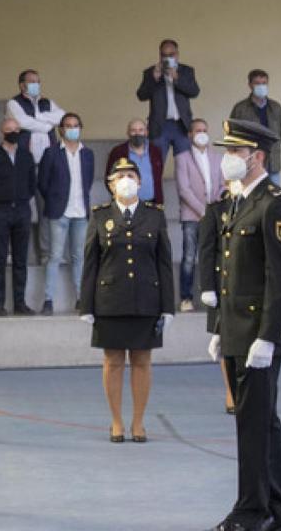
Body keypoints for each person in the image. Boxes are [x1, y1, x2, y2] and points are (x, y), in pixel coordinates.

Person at [207, 119, 281, 531]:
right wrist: (217, 327)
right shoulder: (238, 200)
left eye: (234, 152)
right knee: (261, 423)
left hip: (258, 335)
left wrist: (267, 337)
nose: (227, 159)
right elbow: (227, 271)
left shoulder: (275, 203)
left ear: (256, 156)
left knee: (253, 425)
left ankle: (250, 511)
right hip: (235, 331)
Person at [80, 157, 174, 443]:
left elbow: (164, 263)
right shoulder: (100, 215)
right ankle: (117, 421)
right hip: (110, 298)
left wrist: (168, 306)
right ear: (110, 184)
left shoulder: (154, 215)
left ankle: (138, 422)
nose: (126, 179)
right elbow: (90, 262)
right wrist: (87, 305)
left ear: (140, 181)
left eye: (131, 174)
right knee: (113, 360)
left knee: (143, 360)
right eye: (119, 175)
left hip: (147, 297)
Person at [0, 118, 37, 316]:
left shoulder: (26, 156)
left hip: (22, 211)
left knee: (21, 259)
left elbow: (32, 184)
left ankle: (20, 303)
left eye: (16, 130)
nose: (13, 133)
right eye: (9, 130)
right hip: (0, 212)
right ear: (1, 132)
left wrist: (21, 200)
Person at [37, 113, 94, 315]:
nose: (72, 129)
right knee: (55, 256)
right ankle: (48, 300)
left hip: (81, 212)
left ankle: (81, 298)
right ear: (61, 129)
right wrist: (54, 199)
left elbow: (88, 181)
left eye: (75, 125)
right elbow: (42, 183)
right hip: (59, 212)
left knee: (79, 256)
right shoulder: (51, 153)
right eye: (68, 125)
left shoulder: (88, 154)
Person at [6, 69, 65, 264]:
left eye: (37, 81)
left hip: (47, 165)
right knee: (18, 209)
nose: (35, 85)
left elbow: (62, 117)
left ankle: (47, 254)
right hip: (25, 163)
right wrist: (47, 122)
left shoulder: (47, 102)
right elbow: (22, 122)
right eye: (31, 81)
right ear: (21, 84)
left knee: (47, 211)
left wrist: (39, 121)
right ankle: (13, 254)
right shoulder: (14, 103)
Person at [175, 118, 223, 312]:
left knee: (214, 255)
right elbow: (184, 189)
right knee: (189, 257)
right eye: (197, 130)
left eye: (204, 130)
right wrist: (203, 211)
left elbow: (222, 184)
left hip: (214, 213)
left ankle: (213, 295)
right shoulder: (182, 158)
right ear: (190, 135)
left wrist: (213, 208)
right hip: (192, 216)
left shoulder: (218, 157)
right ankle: (186, 298)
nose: (202, 133)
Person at [200, 187, 238, 414]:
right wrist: (206, 287)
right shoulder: (215, 210)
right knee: (225, 342)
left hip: (247, 283)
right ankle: (231, 390)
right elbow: (205, 250)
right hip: (221, 283)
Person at [135, 38, 200, 161]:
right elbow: (141, 95)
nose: (167, 58)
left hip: (182, 125)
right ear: (160, 56)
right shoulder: (150, 72)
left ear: (177, 54)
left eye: (171, 55)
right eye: (164, 55)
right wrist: (154, 78)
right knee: (156, 164)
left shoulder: (186, 71)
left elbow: (194, 92)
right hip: (159, 125)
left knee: (184, 164)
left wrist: (176, 78)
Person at [229, 69, 281, 186]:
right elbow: (232, 136)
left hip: (272, 163)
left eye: (264, 83)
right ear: (250, 85)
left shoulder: (276, 107)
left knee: (274, 197)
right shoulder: (240, 108)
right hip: (249, 162)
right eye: (257, 83)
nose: (261, 86)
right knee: (249, 197)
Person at [105, 118, 165, 205]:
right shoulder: (118, 152)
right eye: (133, 130)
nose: (137, 133)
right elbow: (109, 179)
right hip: (126, 205)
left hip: (153, 204)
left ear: (146, 132)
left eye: (141, 130)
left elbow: (158, 176)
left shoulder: (155, 151)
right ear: (128, 133)